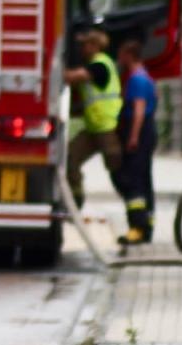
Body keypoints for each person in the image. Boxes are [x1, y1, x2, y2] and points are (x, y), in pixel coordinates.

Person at [61, 30, 123, 210]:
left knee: (118, 170)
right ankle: (75, 203)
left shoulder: (100, 65)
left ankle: (137, 210)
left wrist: (56, 69)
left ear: (95, 46)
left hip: (107, 128)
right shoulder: (94, 65)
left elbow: (73, 77)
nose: (82, 48)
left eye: (86, 44)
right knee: (71, 158)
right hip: (93, 127)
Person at [114, 40, 158, 244]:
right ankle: (147, 225)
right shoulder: (146, 76)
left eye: (122, 55)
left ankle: (137, 227)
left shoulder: (137, 79)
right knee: (144, 178)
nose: (119, 59)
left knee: (133, 180)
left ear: (130, 55)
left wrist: (132, 136)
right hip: (146, 132)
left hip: (138, 131)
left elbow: (139, 110)